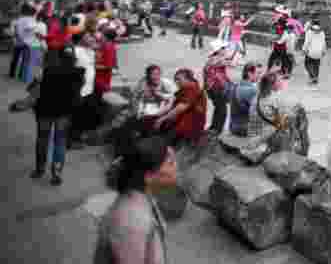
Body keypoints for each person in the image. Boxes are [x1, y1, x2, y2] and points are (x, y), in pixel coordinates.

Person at [94, 136, 177, 264]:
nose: (176, 166)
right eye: (171, 163)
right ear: (149, 176)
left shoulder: (144, 196)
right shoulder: (132, 221)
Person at [32, 49, 84, 185]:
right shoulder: (79, 73)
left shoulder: (46, 71)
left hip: (44, 111)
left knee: (42, 140)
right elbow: (78, 92)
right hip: (64, 112)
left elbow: (34, 91)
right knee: (60, 142)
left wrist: (21, 105)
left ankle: (39, 169)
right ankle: (57, 173)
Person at [155, 68, 207, 146]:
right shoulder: (182, 90)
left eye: (179, 79)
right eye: (175, 80)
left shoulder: (193, 88)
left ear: (188, 79)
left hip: (190, 125)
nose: (176, 82)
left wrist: (162, 119)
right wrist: (156, 115)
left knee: (162, 141)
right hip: (180, 121)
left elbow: (180, 108)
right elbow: (169, 105)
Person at [203, 46, 236, 136]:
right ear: (218, 50)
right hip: (216, 88)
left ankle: (214, 128)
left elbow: (229, 63)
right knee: (222, 109)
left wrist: (229, 58)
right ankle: (217, 130)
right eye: (223, 48)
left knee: (219, 108)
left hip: (215, 88)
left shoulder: (215, 59)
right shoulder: (214, 59)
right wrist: (228, 59)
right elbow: (231, 64)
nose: (225, 50)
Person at [229, 62, 261, 137]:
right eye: (258, 73)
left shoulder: (236, 85)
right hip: (243, 128)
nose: (260, 76)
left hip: (234, 126)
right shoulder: (250, 90)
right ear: (249, 73)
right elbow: (261, 109)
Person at [9, 3, 36, 80]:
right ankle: (20, 74)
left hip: (19, 41)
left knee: (16, 58)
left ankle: (12, 73)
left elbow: (15, 30)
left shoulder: (19, 19)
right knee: (23, 59)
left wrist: (16, 36)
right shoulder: (29, 19)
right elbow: (31, 28)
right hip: (26, 42)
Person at [301, 18, 326, 86]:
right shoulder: (322, 32)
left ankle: (312, 76)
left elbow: (307, 42)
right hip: (319, 52)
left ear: (312, 24)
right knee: (316, 65)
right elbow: (323, 42)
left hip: (311, 52)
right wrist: (324, 51)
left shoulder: (309, 32)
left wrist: (303, 50)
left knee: (307, 64)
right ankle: (316, 78)